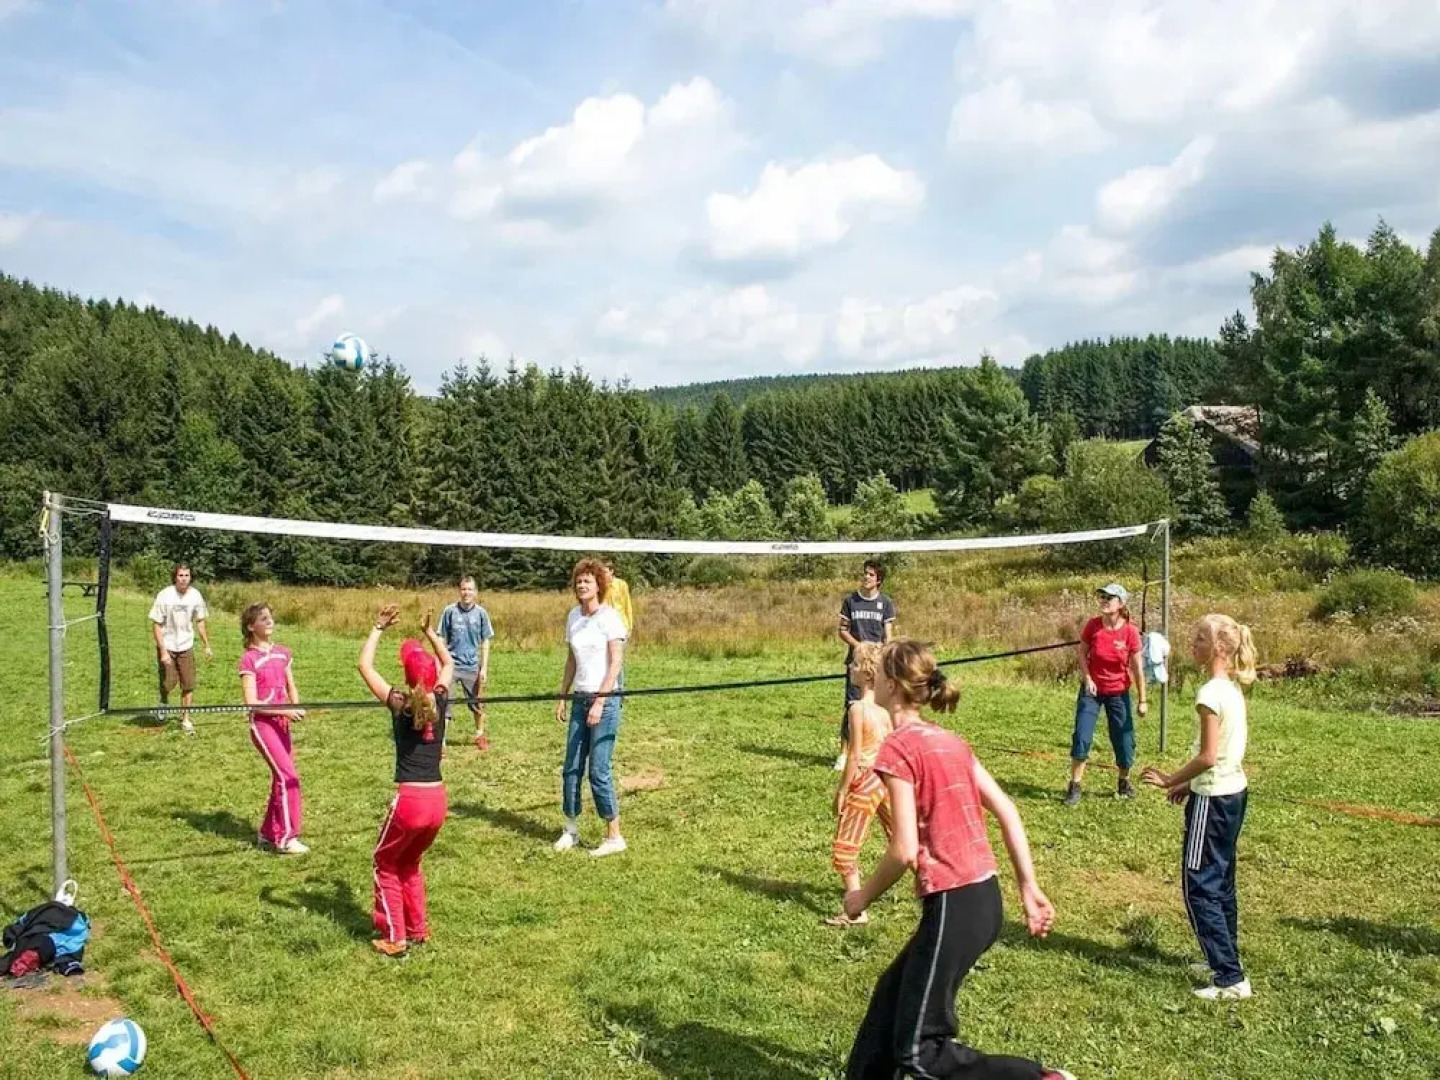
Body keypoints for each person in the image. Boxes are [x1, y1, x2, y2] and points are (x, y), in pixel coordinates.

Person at [842, 639, 1075, 1080]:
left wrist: (861, 898)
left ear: (890, 684)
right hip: (983, 900)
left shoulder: (899, 748)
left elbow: (904, 848)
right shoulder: (950, 741)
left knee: (918, 1052)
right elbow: (1007, 808)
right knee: (889, 999)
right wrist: (1028, 886)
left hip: (954, 902)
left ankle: (1040, 1078)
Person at [1142, 613, 1257, 1002]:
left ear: (1219, 648)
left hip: (1214, 800)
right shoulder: (1230, 689)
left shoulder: (1210, 693)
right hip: (1232, 794)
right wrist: (1189, 787)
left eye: (1199, 639)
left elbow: (1208, 757)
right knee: (1221, 883)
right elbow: (1223, 756)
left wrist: (1172, 779)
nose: (1192, 644)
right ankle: (1222, 959)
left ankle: (1229, 977)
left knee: (1199, 886)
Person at [357, 604, 455, 958]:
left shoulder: (400, 703)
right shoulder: (440, 701)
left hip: (411, 800)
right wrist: (432, 634)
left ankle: (395, 937)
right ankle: (418, 929)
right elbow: (449, 665)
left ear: (407, 674)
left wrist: (378, 627)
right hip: (438, 800)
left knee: (384, 862)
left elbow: (364, 666)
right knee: (409, 863)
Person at [553, 558, 628, 857]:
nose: (582, 585)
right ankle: (570, 829)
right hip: (579, 699)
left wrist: (600, 700)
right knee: (571, 767)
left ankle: (614, 835)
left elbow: (616, 662)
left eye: (588, 580)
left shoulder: (610, 618)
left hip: (604, 701)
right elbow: (572, 659)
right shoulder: (573, 617)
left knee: (598, 770)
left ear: (599, 585)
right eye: (578, 581)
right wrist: (562, 694)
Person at [827, 642, 893, 927]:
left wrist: (842, 791)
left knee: (845, 846)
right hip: (887, 778)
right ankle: (933, 891)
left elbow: (854, 755)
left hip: (865, 779)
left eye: (854, 664)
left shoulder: (857, 708)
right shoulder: (886, 709)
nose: (850, 668)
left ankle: (857, 907)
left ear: (867, 674)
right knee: (901, 835)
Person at [1063, 582, 1147, 806]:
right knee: (1082, 735)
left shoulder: (1130, 632)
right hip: (1092, 691)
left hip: (1118, 692)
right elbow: (1082, 653)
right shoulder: (1093, 626)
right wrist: (1088, 678)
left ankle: (1123, 781)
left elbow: (1138, 667)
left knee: (1124, 739)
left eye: (1109, 598)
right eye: (1102, 597)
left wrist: (1142, 700)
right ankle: (1075, 786)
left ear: (1120, 604)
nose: (1104, 601)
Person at [238, 603, 306, 855]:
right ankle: (287, 838)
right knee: (289, 777)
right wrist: (284, 710)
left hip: (282, 723)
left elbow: (291, 687)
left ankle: (268, 833)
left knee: (282, 776)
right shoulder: (249, 659)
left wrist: (295, 707)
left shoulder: (283, 653)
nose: (269, 622)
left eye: (270, 617)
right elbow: (252, 704)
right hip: (263, 725)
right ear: (250, 626)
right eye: (262, 619)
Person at [836, 559, 896, 770]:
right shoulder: (851, 601)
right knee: (853, 705)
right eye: (865, 573)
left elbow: (888, 634)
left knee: (878, 706)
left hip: (877, 663)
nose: (866, 577)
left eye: (870, 574)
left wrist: (885, 652)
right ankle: (844, 753)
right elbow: (842, 630)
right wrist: (859, 646)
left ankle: (876, 750)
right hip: (857, 663)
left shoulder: (885, 603)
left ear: (878, 580)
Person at [148, 564, 212, 735]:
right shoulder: (165, 595)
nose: (183, 578)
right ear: (175, 577)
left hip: (186, 646)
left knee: (188, 684)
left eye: (187, 575)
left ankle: (185, 719)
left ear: (191, 577)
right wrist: (163, 651)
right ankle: (163, 702)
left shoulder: (195, 596)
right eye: (180, 575)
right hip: (167, 645)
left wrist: (206, 645)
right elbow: (156, 624)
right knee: (168, 683)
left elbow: (200, 621)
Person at [438, 576, 495, 750]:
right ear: (459, 590)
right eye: (463, 589)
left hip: (472, 666)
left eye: (470, 589)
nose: (466, 593)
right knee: (445, 703)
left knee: (477, 704)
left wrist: (483, 667)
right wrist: (442, 662)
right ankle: (441, 742)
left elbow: (485, 641)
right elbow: (440, 637)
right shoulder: (449, 612)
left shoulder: (481, 614)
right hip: (452, 666)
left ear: (475, 592)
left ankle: (479, 735)